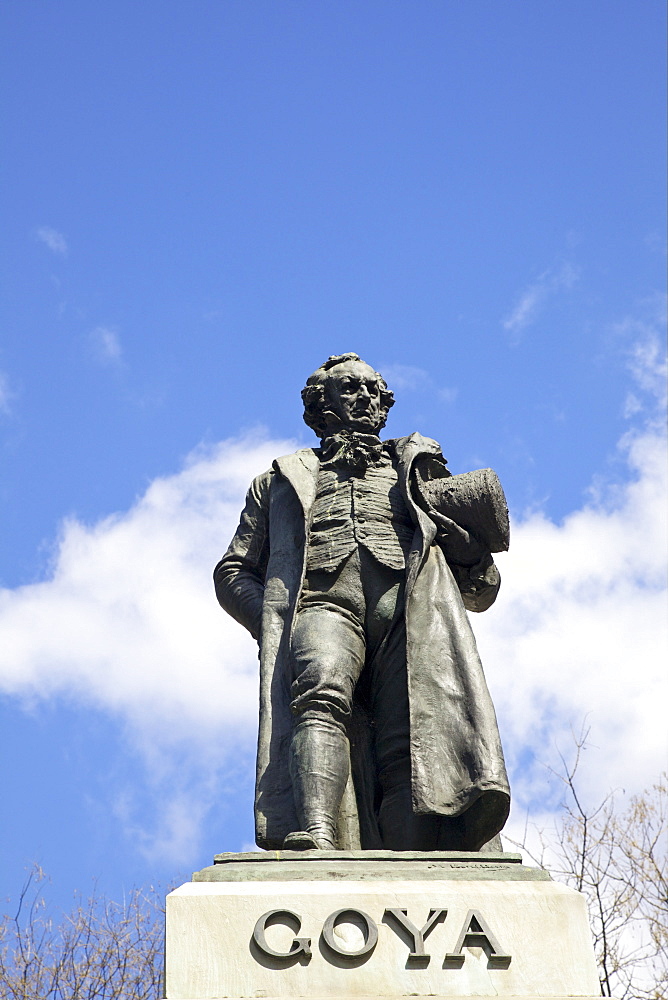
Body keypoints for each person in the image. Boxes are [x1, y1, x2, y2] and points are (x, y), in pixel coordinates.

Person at [214, 353, 510, 851]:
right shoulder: (278, 481)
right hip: (322, 603)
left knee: (410, 739)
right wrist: (272, 621)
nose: (366, 396)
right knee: (318, 695)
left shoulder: (418, 469)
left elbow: (481, 583)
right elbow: (232, 570)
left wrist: (466, 543)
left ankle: (413, 854)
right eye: (350, 387)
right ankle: (317, 832)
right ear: (319, 403)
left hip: (410, 611)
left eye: (375, 389)